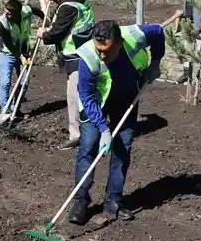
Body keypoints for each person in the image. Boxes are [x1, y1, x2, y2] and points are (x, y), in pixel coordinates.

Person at [67, 20, 164, 225]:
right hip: (97, 103)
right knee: (88, 147)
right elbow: (86, 96)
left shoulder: (134, 36)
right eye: (98, 49)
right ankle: (80, 201)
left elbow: (158, 31)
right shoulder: (88, 56)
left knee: (122, 148)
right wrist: (103, 129)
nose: (102, 55)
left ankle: (113, 201)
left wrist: (156, 62)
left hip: (127, 99)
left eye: (107, 51)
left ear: (119, 43)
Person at [37, 0, 94, 150]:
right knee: (85, 96)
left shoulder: (68, 7)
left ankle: (78, 135)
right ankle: (89, 132)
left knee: (74, 99)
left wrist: (44, 34)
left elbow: (57, 33)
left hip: (76, 57)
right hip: (86, 53)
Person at [0, 0, 44, 115]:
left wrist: (45, 20)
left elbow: (38, 12)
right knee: (5, 82)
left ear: (18, 13)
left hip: (24, 51)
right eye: (5, 11)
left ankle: (15, 107)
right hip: (7, 53)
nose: (6, 15)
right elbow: (9, 44)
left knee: (24, 83)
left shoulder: (25, 11)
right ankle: (4, 109)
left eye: (9, 13)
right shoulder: (1, 23)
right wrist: (20, 56)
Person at [177, 0, 201, 85]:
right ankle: (186, 74)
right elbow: (185, 9)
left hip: (200, 28)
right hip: (188, 27)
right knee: (187, 52)